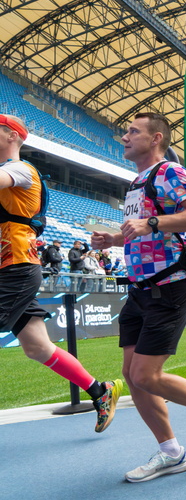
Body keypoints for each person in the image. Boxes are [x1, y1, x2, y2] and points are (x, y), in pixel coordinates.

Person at [91, 112, 186, 483]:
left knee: (145, 373)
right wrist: (115, 240)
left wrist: (150, 223)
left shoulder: (169, 173)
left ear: (156, 138)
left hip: (171, 284)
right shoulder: (137, 182)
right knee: (131, 375)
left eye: (132, 131)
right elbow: (142, 231)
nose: (124, 136)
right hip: (140, 288)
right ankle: (171, 452)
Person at [0, 113, 122, 433]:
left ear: (12, 136)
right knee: (37, 347)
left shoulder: (20, 170)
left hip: (16, 268)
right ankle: (100, 391)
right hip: (11, 268)